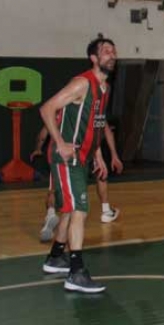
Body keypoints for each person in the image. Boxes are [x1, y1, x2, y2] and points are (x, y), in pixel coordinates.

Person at [40, 36, 117, 293]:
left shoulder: (104, 89)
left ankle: (55, 257)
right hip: (66, 158)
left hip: (82, 157)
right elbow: (47, 108)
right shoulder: (82, 83)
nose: (111, 54)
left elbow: (94, 126)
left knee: (70, 211)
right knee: (81, 210)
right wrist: (60, 142)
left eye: (113, 51)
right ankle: (76, 272)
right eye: (105, 51)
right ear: (94, 58)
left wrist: (99, 156)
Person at [32, 122, 123, 242]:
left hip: (64, 152)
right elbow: (107, 131)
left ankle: (51, 214)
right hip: (87, 149)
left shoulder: (60, 109)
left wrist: (38, 149)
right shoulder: (92, 108)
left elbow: (43, 134)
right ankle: (106, 210)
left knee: (54, 187)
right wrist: (114, 155)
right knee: (100, 174)